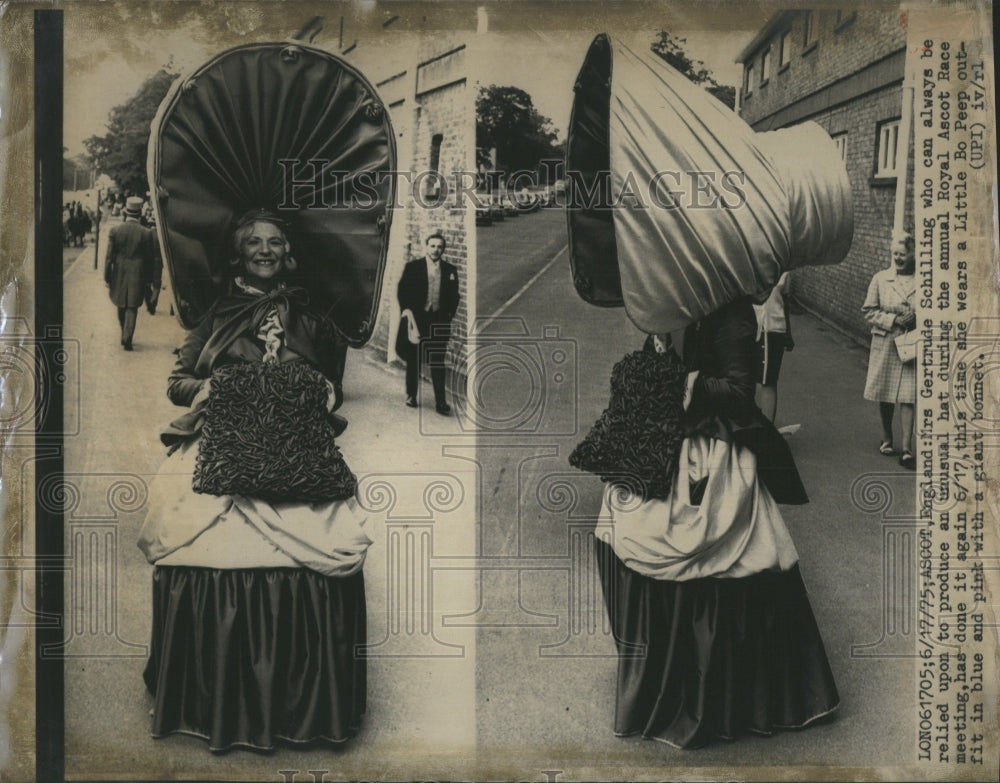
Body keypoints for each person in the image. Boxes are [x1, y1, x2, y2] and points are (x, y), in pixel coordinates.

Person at [137, 210, 371, 751]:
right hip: (222, 454)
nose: (265, 251)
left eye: (275, 243)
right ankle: (209, 699)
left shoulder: (314, 319)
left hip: (297, 456)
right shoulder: (216, 314)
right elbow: (179, 382)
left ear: (288, 253)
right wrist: (224, 390)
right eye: (254, 243)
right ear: (239, 254)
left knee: (325, 556)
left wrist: (311, 393)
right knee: (194, 550)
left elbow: (334, 390)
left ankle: (303, 706)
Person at [595, 296, 839, 748]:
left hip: (715, 450)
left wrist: (683, 379)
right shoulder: (674, 305)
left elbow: (740, 392)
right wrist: (656, 358)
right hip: (673, 441)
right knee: (620, 529)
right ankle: (661, 682)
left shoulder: (731, 313)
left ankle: (714, 696)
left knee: (726, 557)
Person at [862, 234, 917, 469]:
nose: (898, 258)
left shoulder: (924, 281)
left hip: (911, 344)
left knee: (908, 395)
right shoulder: (881, 279)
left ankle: (906, 448)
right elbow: (868, 311)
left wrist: (917, 317)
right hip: (886, 343)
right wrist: (894, 318)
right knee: (886, 394)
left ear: (913, 254)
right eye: (895, 254)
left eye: (902, 254)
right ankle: (887, 438)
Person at [396, 232, 460, 414]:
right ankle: (411, 395)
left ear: (443, 249)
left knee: (437, 361)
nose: (436, 250)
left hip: (438, 320)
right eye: (432, 246)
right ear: (426, 247)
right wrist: (407, 311)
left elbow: (455, 296)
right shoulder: (413, 268)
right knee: (414, 358)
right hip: (418, 319)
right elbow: (402, 291)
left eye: (439, 247)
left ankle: (441, 402)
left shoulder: (450, 271)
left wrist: (447, 316)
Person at [104, 196, 160, 350]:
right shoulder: (146, 233)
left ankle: (124, 332)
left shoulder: (115, 230)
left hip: (119, 272)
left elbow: (109, 257)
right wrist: (149, 280)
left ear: (125, 212)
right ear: (140, 213)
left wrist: (107, 276)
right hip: (138, 272)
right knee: (132, 306)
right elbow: (150, 259)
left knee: (121, 303)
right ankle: (127, 337)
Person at [753, 271, 793, 422]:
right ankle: (754, 424)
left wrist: (788, 332)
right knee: (751, 378)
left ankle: (767, 431)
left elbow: (785, 300)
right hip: (750, 326)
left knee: (767, 380)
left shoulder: (784, 266)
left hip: (771, 329)